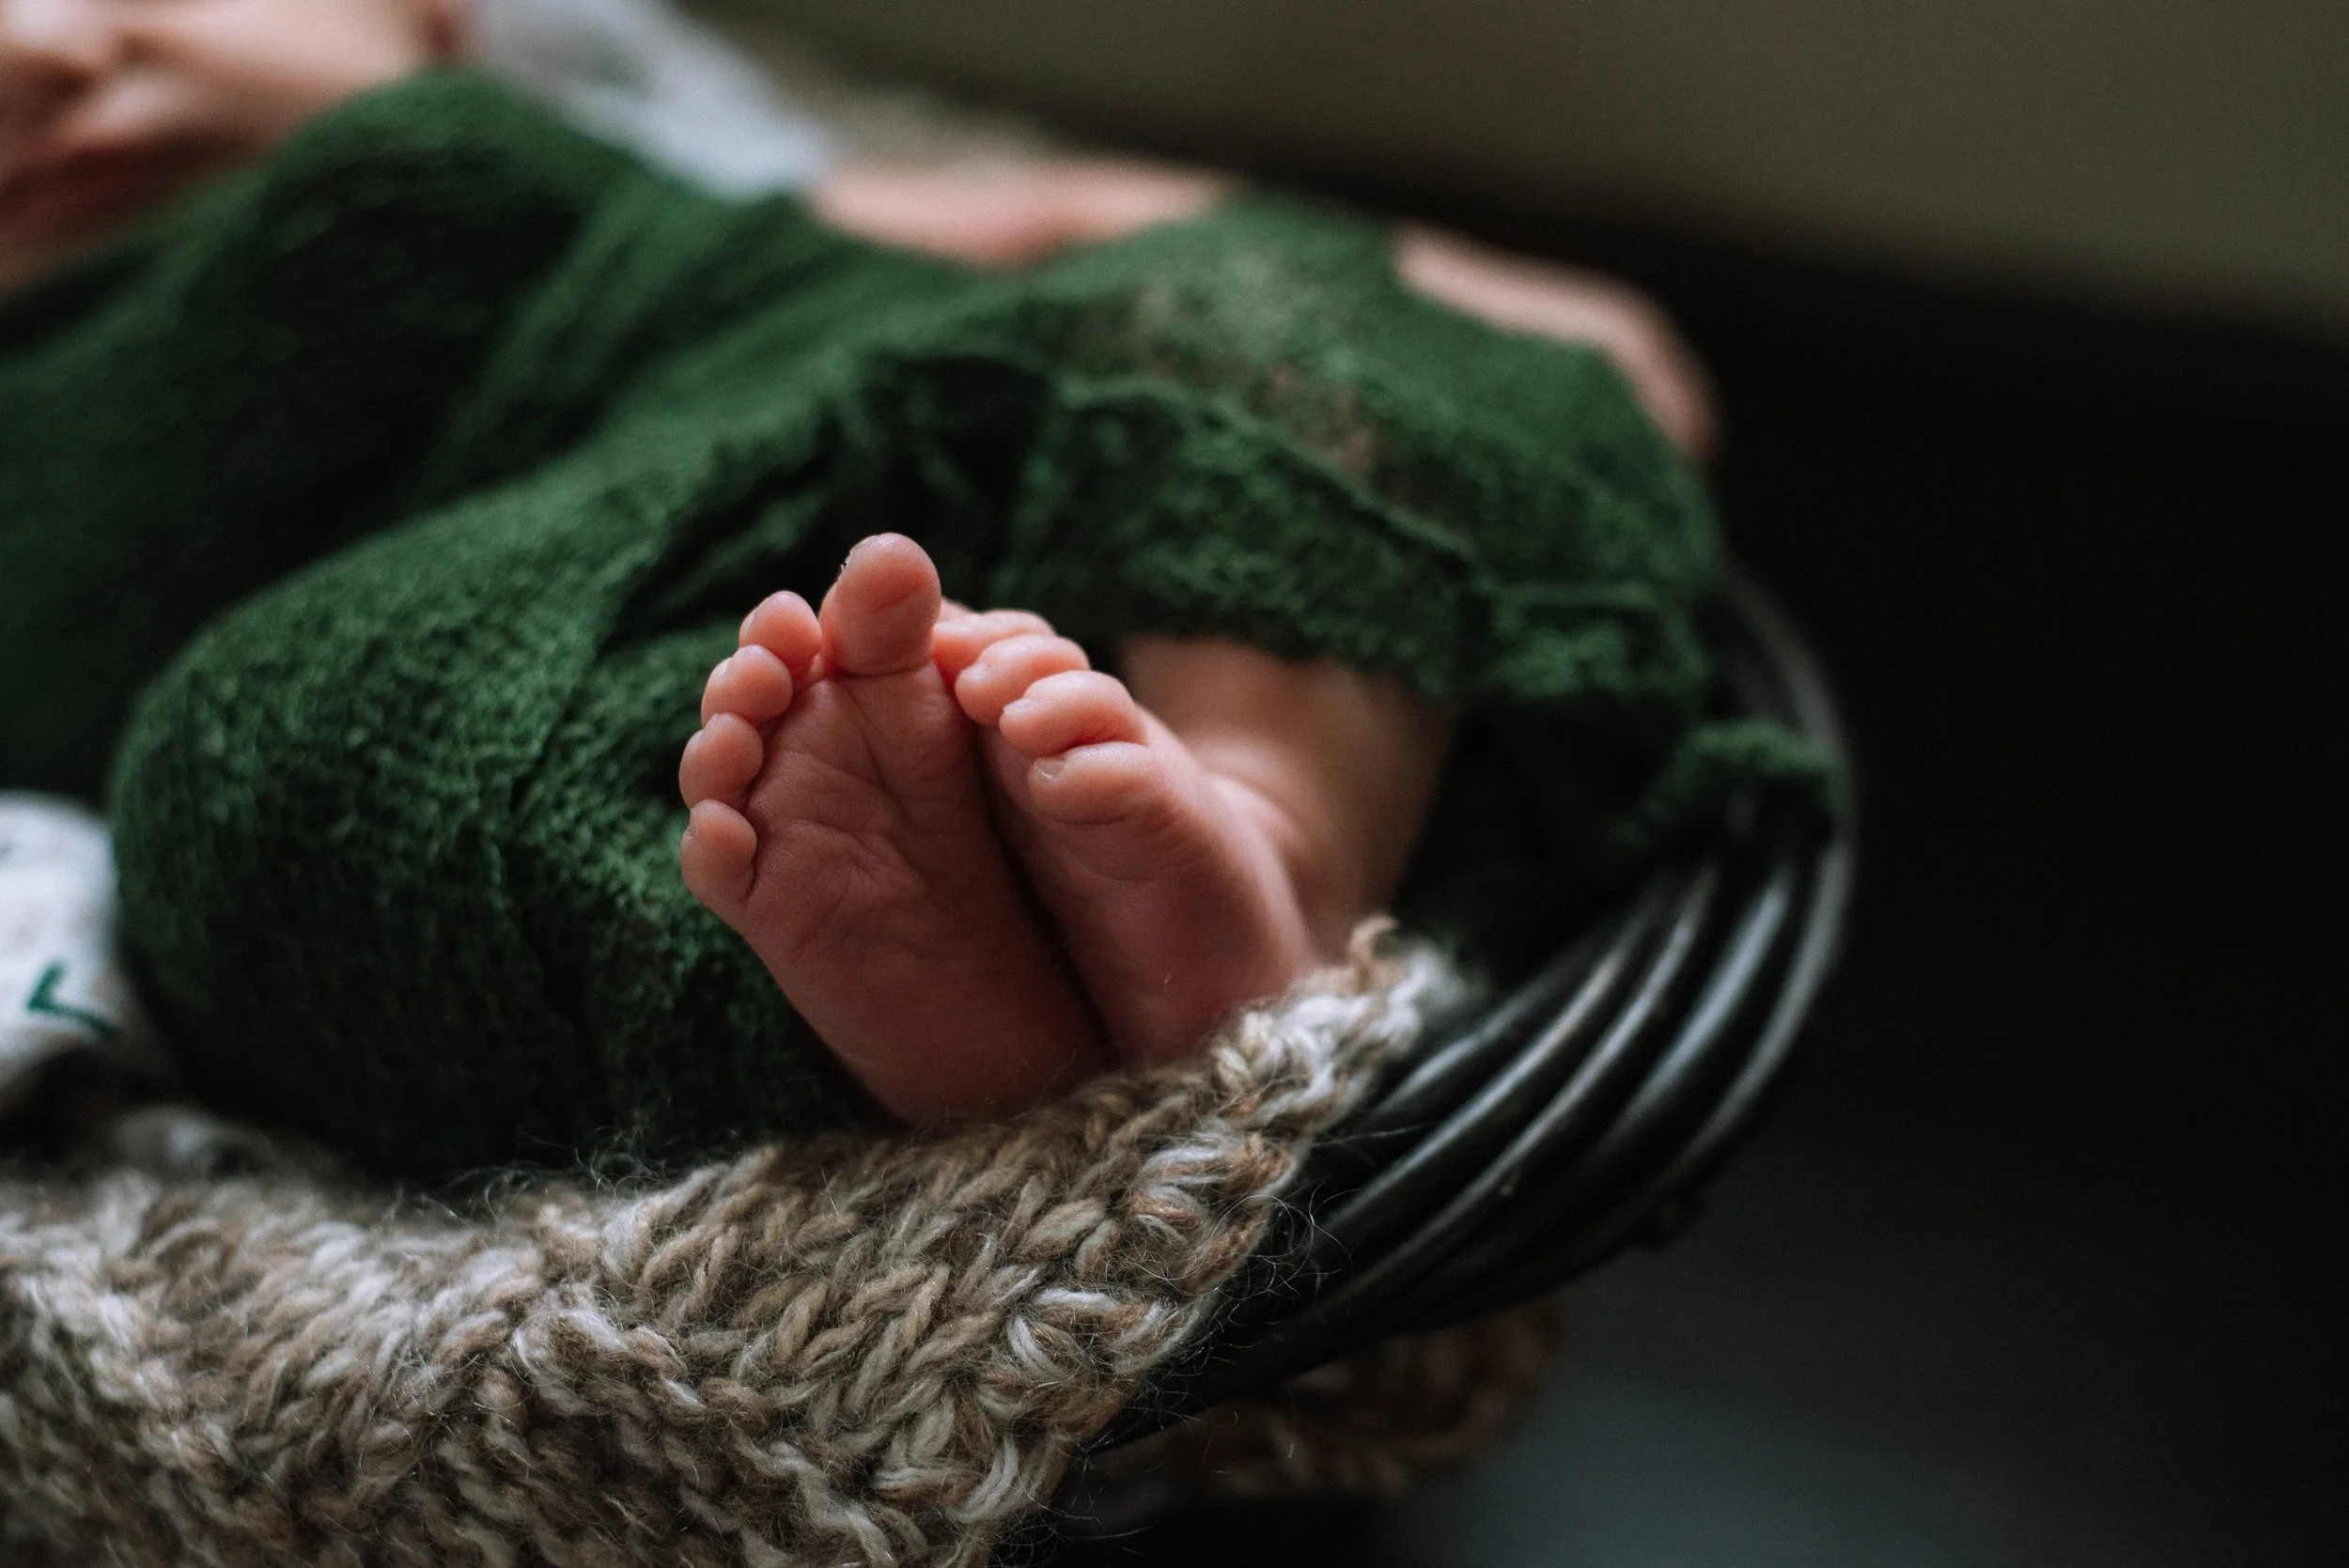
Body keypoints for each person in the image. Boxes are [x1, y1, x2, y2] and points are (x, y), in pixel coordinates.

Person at [0, 0, 1790, 1172]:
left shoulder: (609, 175)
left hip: (964, 449)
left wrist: (1408, 299)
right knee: (267, 783)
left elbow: (1074, 229)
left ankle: (1264, 838)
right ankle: (922, 1009)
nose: (37, 53)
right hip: (582, 698)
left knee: (1250, 317)